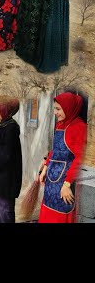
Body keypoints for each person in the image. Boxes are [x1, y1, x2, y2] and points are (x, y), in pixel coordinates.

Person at [37, 91, 87, 223]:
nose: (55, 112)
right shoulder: (60, 125)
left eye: (58, 109)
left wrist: (67, 184)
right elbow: (55, 150)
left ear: (68, 108)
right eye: (55, 109)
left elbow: (79, 158)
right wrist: (45, 168)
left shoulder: (79, 127)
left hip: (63, 183)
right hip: (51, 181)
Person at [0, 98, 22, 223]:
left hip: (7, 176)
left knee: (5, 210)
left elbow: (6, 154)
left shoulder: (11, 128)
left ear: (6, 110)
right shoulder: (3, 124)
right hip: (0, 174)